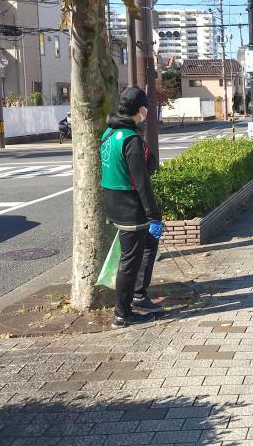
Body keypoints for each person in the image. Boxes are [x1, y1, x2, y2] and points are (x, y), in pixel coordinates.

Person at [100, 87, 164, 328]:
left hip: (114, 201)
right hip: (131, 207)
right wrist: (154, 215)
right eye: (146, 107)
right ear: (141, 109)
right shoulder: (131, 139)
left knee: (148, 246)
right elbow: (142, 182)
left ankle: (139, 295)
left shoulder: (109, 133)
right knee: (130, 261)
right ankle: (122, 314)